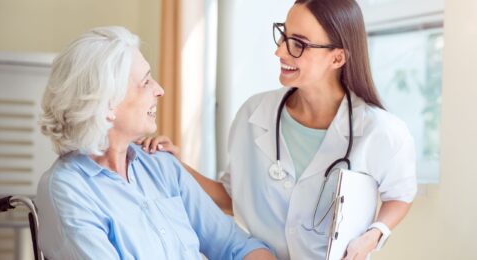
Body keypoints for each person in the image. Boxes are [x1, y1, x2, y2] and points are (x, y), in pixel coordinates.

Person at [142, 0, 417, 259]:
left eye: (298, 44)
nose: (280, 51)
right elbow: (231, 197)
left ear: (337, 58)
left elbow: (400, 196)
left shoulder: (379, 130)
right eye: (284, 36)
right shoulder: (254, 115)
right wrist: (176, 166)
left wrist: (375, 233)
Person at [36, 26, 276, 260]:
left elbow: (234, 245)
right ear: (108, 103)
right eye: (145, 82)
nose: (159, 90)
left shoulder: (161, 166)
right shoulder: (69, 188)